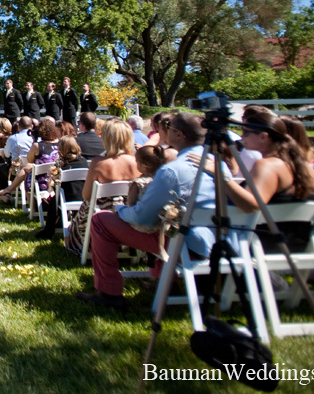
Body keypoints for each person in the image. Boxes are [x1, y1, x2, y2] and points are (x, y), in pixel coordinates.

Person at [77, 113, 229, 311]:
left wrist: (121, 211)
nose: (164, 130)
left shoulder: (172, 171)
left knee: (100, 221)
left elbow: (144, 218)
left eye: (170, 127)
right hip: (219, 242)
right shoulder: (220, 165)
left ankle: (109, 292)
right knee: (166, 221)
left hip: (184, 244)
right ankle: (166, 282)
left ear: (180, 135)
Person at [65, 120, 140, 256]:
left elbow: (86, 195)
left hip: (100, 218)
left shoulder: (99, 163)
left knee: (83, 213)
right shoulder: (138, 163)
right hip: (130, 219)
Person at [0, 117, 35, 201]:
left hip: (16, 172)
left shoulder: (13, 138)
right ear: (32, 127)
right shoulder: (37, 138)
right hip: (35, 172)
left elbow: (6, 154)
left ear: (19, 127)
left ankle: (5, 195)